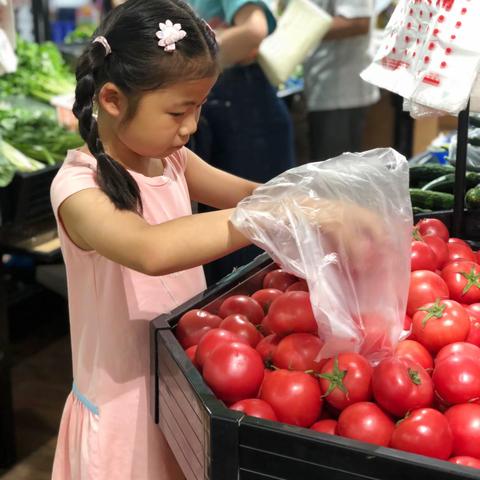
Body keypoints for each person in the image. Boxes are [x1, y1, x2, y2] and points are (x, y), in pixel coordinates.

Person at [50, 0, 382, 478]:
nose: (191, 127)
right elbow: (152, 249)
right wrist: (266, 214)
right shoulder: (79, 189)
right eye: (178, 111)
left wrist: (315, 205)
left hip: (184, 382)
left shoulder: (171, 160)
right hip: (124, 407)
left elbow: (250, 192)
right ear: (112, 100)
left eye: (199, 107)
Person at [187, 0, 296, 284]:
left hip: (246, 116)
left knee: (251, 255)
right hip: (230, 110)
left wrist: (186, 65)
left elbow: (254, 28)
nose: (185, 125)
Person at [303, 0, 380, 161]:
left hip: (340, 92)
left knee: (334, 174)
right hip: (326, 86)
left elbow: (357, 22)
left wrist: (297, 29)